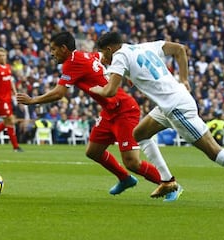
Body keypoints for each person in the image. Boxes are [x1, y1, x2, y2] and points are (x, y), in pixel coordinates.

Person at [90, 31, 224, 208]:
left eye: (103, 55)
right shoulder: (143, 47)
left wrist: (94, 89)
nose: (104, 60)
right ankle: (167, 181)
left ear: (109, 49)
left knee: (213, 151)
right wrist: (184, 80)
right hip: (170, 103)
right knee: (139, 134)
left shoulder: (120, 56)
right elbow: (179, 49)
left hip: (176, 108)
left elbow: (110, 91)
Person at [17, 31, 182, 200]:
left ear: (64, 48)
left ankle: (170, 185)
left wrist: (33, 100)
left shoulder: (71, 63)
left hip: (124, 110)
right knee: (93, 151)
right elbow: (108, 58)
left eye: (53, 49)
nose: (51, 53)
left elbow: (59, 93)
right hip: (110, 111)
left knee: (132, 162)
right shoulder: (86, 56)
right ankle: (125, 179)